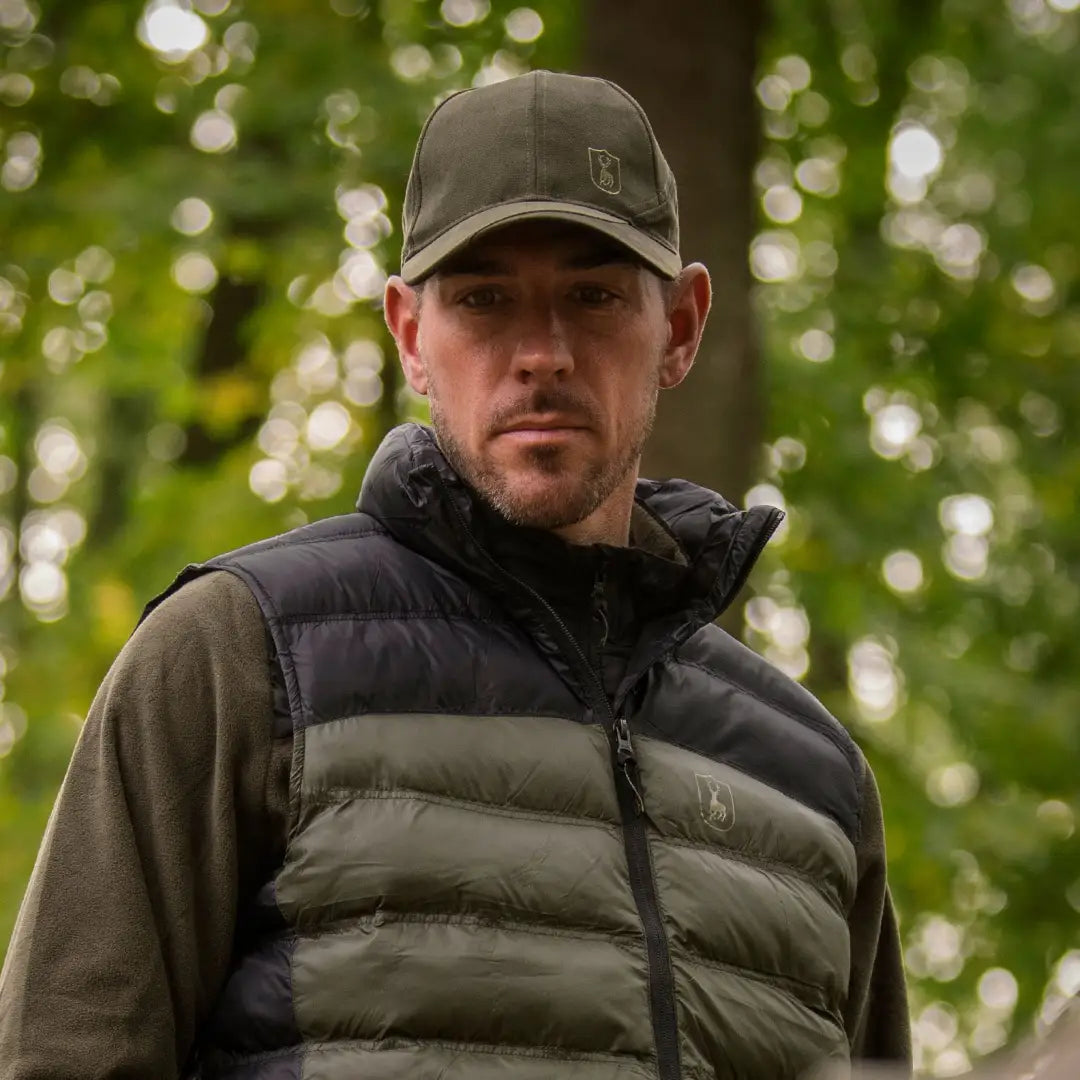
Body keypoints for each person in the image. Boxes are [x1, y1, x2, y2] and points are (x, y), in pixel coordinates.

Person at [0, 70, 911, 1079]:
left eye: (594, 296)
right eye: (484, 299)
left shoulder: (812, 783)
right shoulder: (236, 658)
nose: (542, 354)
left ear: (682, 328)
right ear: (409, 335)